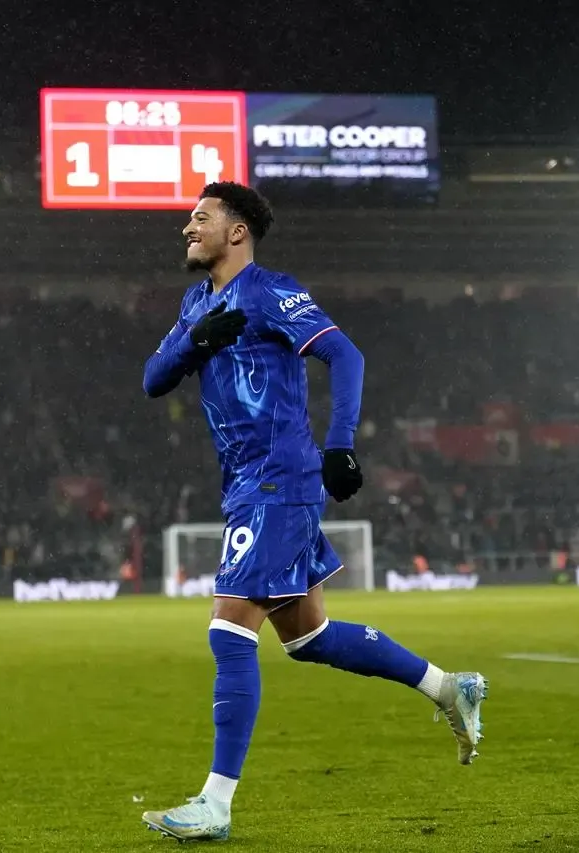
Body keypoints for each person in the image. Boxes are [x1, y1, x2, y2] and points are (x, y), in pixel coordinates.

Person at [139, 182, 488, 842]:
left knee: (228, 628)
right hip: (246, 482)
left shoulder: (272, 290)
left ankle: (215, 801)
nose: (187, 226)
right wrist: (195, 342)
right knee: (307, 638)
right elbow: (154, 378)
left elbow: (344, 353)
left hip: (279, 478)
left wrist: (339, 444)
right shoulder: (195, 302)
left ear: (236, 231)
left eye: (201, 217)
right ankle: (450, 686)